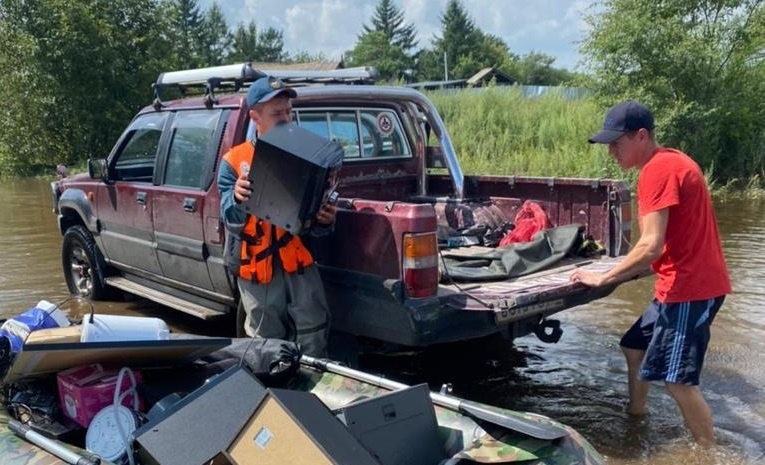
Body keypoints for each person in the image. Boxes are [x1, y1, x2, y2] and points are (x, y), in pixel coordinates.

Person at [569, 100, 731, 447]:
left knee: (678, 382)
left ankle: (707, 452)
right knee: (633, 346)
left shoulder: (657, 170)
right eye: (609, 144)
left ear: (641, 136)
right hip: (682, 283)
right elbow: (656, 250)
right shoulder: (672, 160)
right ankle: (636, 416)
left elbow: (650, 246)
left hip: (690, 288)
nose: (612, 151)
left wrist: (602, 277)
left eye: (617, 142)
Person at [217, 75, 336, 357]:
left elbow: (316, 223)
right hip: (258, 272)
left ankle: (311, 396)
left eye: (288, 112)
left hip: (299, 264)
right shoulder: (234, 161)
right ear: (255, 116)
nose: (285, 118)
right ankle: (271, 397)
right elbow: (227, 215)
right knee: (265, 345)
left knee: (313, 334)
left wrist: (326, 219)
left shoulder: (311, 155)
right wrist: (236, 197)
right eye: (276, 113)